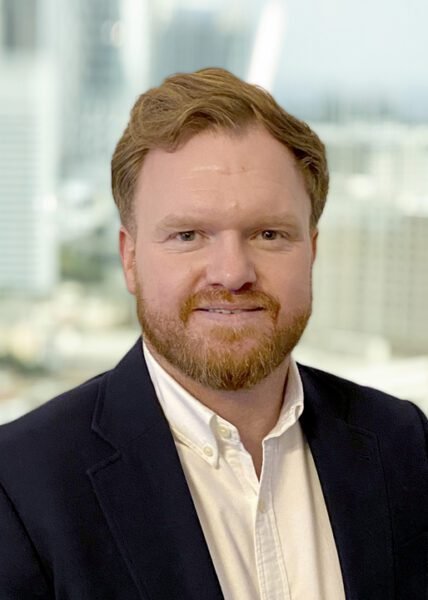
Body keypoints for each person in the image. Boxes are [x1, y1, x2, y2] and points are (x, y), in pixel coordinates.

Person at [0, 68, 426, 600]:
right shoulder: (19, 486)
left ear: (311, 251)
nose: (232, 273)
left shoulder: (403, 442)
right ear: (129, 259)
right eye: (188, 235)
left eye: (268, 234)